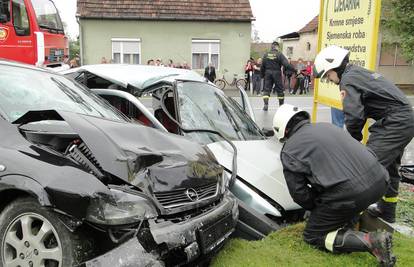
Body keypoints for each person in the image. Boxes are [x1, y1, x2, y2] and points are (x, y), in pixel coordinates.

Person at [273, 104, 396, 266]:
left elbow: (299, 193)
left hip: (352, 193)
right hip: (380, 180)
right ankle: (349, 228)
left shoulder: (290, 150)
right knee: (346, 199)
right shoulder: (327, 126)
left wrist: (317, 208)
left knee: (313, 235)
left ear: (284, 131)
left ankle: (371, 241)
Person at [314, 45, 414, 223]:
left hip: (395, 122)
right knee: (389, 167)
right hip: (402, 120)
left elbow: (354, 116)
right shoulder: (357, 73)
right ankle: (387, 212)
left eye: (328, 75)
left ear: (335, 66)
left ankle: (349, 220)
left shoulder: (348, 80)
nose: (330, 80)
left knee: (366, 168)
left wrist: (351, 145)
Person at [261, 41, 296, 110]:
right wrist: (294, 70)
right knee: (280, 90)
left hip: (267, 73)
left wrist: (262, 75)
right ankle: (281, 106)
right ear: (277, 47)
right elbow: (286, 64)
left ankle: (266, 104)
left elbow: (262, 66)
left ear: (271, 47)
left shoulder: (266, 54)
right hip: (277, 73)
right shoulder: (279, 54)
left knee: (267, 90)